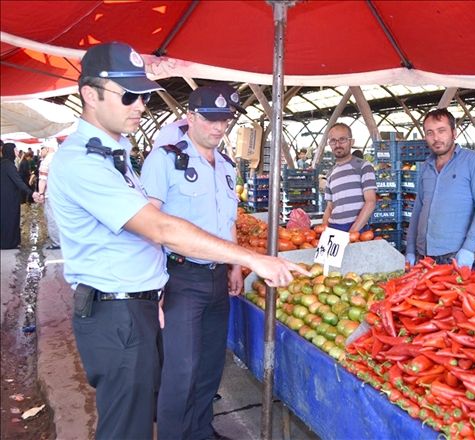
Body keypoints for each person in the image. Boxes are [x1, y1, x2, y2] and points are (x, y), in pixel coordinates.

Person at [47, 42, 306, 440]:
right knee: (134, 419)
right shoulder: (86, 160)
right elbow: (161, 228)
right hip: (120, 310)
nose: (140, 106)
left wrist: (156, 290)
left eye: (144, 95)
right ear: (89, 94)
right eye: (128, 95)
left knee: (188, 379)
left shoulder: (116, 153)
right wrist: (255, 259)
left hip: (139, 301)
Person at [140, 83, 247, 440]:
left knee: (210, 366)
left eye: (225, 120)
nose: (218, 128)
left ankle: (201, 431)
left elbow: (227, 222)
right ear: (190, 117)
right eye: (210, 119)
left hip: (217, 280)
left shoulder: (227, 167)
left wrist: (234, 266)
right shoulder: (165, 159)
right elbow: (149, 226)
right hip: (180, 278)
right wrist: (154, 287)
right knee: (180, 372)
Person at [405, 108, 475, 268]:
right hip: (423, 256)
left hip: (455, 256)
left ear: (454, 132)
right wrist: (410, 249)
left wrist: (469, 248)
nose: (436, 138)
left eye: (441, 131)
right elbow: (418, 209)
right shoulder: (426, 166)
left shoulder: (473, 161)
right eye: (430, 132)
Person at [321, 122, 377, 232]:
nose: (337, 145)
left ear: (351, 142)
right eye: (333, 141)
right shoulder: (330, 173)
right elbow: (329, 207)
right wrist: (324, 230)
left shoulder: (363, 167)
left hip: (357, 228)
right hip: (334, 229)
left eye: (342, 139)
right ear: (329, 144)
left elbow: (371, 202)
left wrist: (352, 233)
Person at [1, 142, 42, 249]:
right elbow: (18, 182)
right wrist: (32, 193)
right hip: (9, 199)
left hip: (6, 197)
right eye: (15, 150)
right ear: (10, 151)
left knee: (7, 219)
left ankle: (9, 242)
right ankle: (9, 243)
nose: (16, 152)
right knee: (10, 219)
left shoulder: (5, 163)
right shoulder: (8, 165)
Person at [37, 143, 61, 249]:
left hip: (50, 194)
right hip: (61, 194)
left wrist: (41, 194)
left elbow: (43, 179)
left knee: (51, 218)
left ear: (47, 148)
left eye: (42, 149)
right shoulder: (59, 158)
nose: (41, 152)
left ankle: (56, 242)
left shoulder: (46, 161)